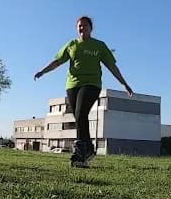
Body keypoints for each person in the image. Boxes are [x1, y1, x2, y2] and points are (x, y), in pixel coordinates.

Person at [35, 15, 134, 168]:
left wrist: (124, 84)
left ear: (91, 28)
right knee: (80, 118)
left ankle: (80, 152)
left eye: (85, 26)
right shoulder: (71, 45)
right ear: (77, 28)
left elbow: (112, 67)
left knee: (81, 114)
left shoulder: (99, 46)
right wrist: (43, 71)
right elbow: (57, 61)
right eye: (79, 26)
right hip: (72, 85)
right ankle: (89, 149)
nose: (82, 28)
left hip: (92, 84)